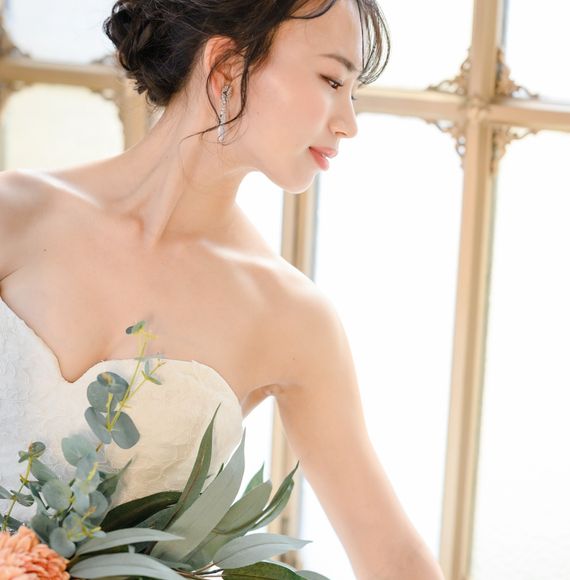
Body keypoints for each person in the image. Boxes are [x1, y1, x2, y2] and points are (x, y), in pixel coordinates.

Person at [0, 0, 445, 578]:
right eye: (333, 81)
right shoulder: (15, 214)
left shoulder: (291, 317)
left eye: (353, 93)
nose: (349, 122)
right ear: (227, 66)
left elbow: (394, 557)